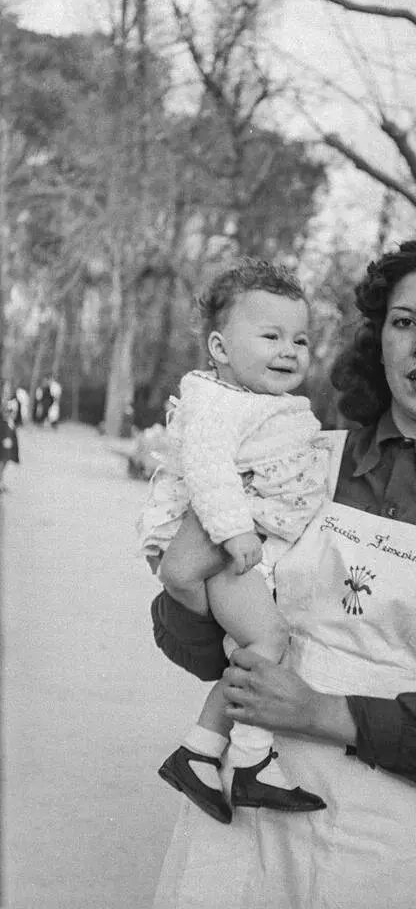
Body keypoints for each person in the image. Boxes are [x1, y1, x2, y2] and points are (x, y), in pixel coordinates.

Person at [150, 239, 416, 909]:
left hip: (373, 845)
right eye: (404, 322)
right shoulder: (303, 454)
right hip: (231, 821)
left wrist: (315, 709)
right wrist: (184, 590)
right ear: (381, 345)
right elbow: (194, 640)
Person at [138, 259, 331, 825]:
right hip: (223, 549)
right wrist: (233, 531)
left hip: (236, 548)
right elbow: (206, 469)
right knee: (267, 639)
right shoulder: (217, 401)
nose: (289, 350)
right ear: (220, 348)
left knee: (258, 644)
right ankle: (247, 758)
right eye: (270, 336)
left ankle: (201, 751)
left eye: (299, 339)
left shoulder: (261, 402)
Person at [0, 381, 20, 492]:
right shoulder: (3, 401)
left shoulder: (10, 400)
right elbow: (4, 414)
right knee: (2, 457)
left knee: (6, 457)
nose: (8, 390)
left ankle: (1, 481)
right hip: (3, 429)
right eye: (6, 388)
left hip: (9, 428)